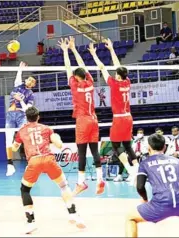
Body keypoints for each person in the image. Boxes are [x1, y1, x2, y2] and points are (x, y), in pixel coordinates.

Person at [12, 107, 85, 234]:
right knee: (63, 186)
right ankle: (73, 214)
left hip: (34, 161)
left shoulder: (21, 131)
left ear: (26, 118)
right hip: (49, 159)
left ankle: (31, 222)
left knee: (25, 189)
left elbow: (14, 148)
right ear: (38, 116)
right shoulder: (46, 128)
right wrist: (55, 138)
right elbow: (60, 145)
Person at [58, 36, 105, 195]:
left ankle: (80, 182)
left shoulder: (75, 85)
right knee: (95, 151)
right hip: (94, 119)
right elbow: (82, 67)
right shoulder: (90, 81)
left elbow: (68, 67)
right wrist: (73, 49)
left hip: (83, 120)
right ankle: (100, 179)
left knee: (82, 153)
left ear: (76, 78)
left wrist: (66, 51)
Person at [89, 39, 138, 184]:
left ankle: (129, 170)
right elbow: (119, 67)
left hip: (119, 119)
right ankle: (137, 169)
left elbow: (102, 67)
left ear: (118, 76)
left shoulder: (114, 84)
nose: (115, 74)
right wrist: (111, 49)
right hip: (128, 117)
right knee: (128, 145)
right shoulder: (127, 82)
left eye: (116, 74)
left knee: (116, 146)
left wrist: (93, 54)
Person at [125, 133, 179, 238]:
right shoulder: (178, 161)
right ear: (164, 147)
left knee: (130, 218)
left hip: (160, 205)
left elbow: (140, 186)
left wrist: (145, 199)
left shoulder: (145, 163)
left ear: (149, 148)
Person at [6, 61, 36, 176]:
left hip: (21, 115)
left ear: (33, 85)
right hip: (10, 115)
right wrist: (20, 68)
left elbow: (27, 110)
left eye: (32, 81)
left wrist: (20, 100)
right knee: (7, 139)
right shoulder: (18, 86)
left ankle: (30, 161)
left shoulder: (30, 94)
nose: (29, 81)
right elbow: (18, 76)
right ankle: (10, 165)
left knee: (25, 137)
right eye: (29, 79)